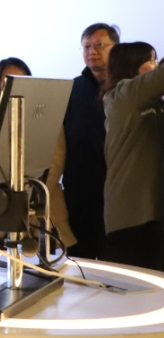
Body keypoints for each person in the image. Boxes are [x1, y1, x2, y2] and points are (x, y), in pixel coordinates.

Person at [101, 41, 164, 270]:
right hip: (131, 216)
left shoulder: (150, 101)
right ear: (131, 64)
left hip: (150, 214)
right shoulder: (123, 95)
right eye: (151, 59)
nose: (155, 65)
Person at [61, 23, 120, 259]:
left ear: (115, 48)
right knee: (79, 261)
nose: (92, 52)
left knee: (116, 261)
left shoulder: (126, 86)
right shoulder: (71, 88)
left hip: (117, 190)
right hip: (80, 191)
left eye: (99, 45)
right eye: (86, 47)